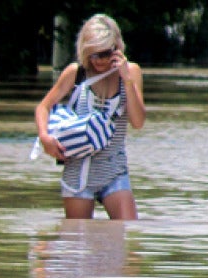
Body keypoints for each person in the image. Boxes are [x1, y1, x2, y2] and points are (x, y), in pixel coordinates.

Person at [34, 14, 146, 220]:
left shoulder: (131, 72)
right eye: (93, 54)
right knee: (77, 242)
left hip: (114, 171)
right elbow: (43, 107)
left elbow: (138, 122)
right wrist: (44, 138)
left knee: (129, 235)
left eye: (105, 53)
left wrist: (127, 80)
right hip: (78, 173)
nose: (100, 60)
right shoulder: (76, 73)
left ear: (116, 47)